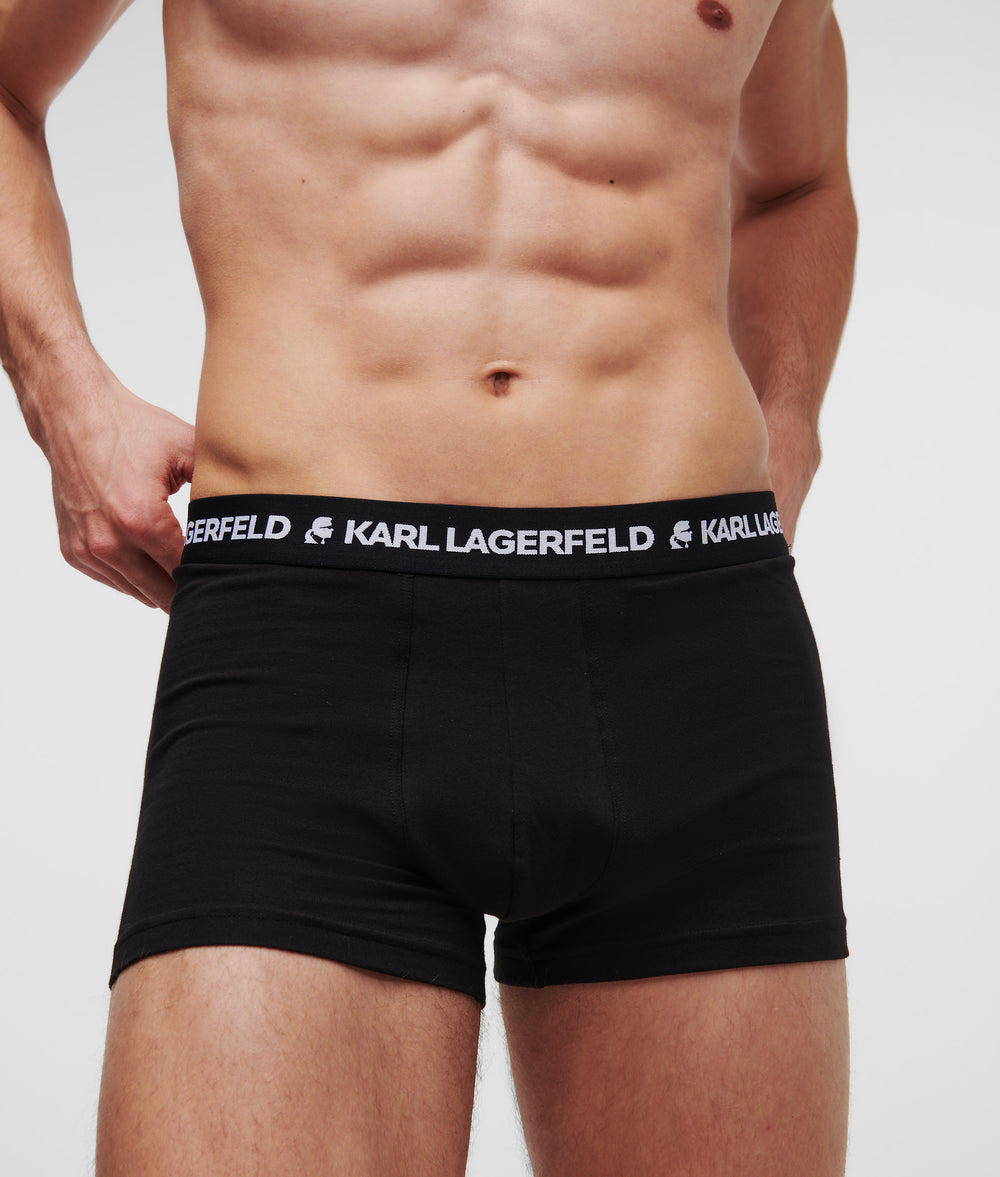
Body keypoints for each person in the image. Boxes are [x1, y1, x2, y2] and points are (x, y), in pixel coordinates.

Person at [0, 0, 857, 1172]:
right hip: (307, 642)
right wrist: (66, 399)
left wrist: (789, 423)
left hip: (689, 639)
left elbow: (800, 179)